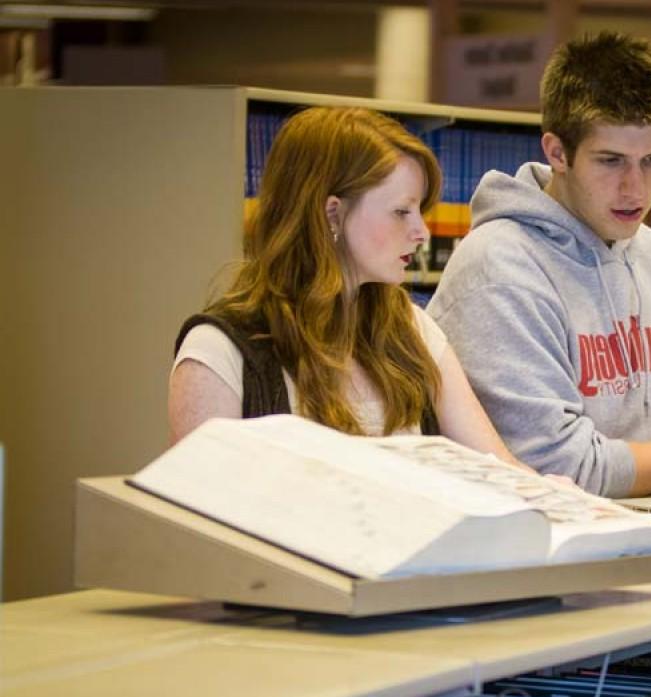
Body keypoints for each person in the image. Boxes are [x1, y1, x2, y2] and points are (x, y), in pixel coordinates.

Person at [427, 32, 651, 498]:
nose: (635, 188)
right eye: (611, 161)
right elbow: (565, 468)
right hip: (544, 544)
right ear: (557, 152)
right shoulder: (498, 268)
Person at [168, 106, 524, 470]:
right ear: (332, 213)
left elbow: (499, 468)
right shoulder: (219, 352)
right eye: (402, 212)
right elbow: (198, 515)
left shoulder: (413, 329)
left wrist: (551, 494)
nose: (422, 232)